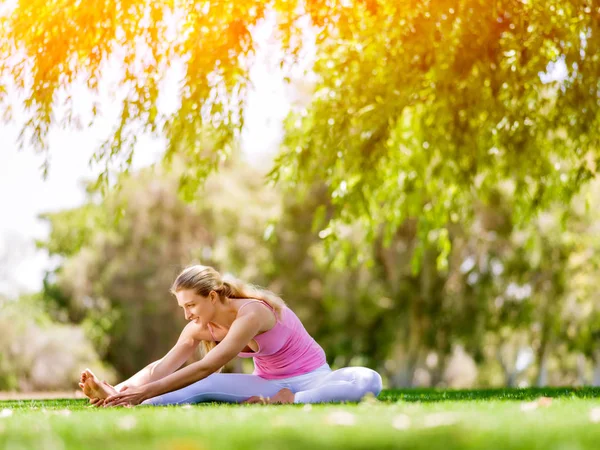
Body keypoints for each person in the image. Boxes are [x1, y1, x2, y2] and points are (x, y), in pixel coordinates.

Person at [79, 264, 383, 407]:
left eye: (191, 305)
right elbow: (161, 368)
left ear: (212, 296)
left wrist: (146, 391)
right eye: (182, 307)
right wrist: (122, 389)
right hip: (265, 383)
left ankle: (293, 400)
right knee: (204, 385)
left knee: (369, 380)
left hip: (314, 378)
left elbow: (209, 364)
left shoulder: (252, 313)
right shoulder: (200, 326)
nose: (187, 315)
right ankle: (118, 400)